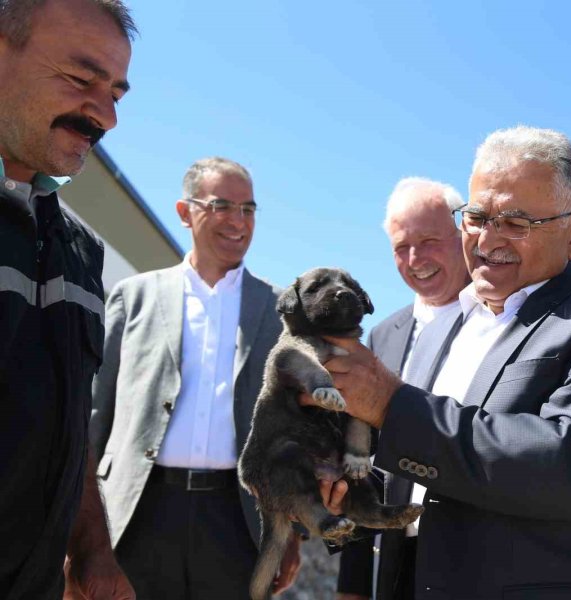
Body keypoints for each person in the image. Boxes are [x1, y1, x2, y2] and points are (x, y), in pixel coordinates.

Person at [318, 126, 571, 599]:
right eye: (478, 216)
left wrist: (392, 405)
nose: (488, 239)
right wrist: (343, 483)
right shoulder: (442, 329)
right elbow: (413, 467)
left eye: (515, 222)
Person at [89, 157, 302, 599]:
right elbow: (97, 413)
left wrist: (291, 533)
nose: (238, 221)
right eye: (222, 206)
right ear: (185, 212)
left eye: (248, 209)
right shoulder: (135, 297)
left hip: (237, 519)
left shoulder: (281, 311)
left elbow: (294, 433)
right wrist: (79, 525)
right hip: (137, 512)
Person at [0, 0, 136, 598]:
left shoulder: (79, 249)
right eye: (82, 80)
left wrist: (91, 546)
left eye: (116, 93)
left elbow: (67, 415)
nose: (104, 115)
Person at [336, 177, 470, 600]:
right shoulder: (380, 338)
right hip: (396, 563)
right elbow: (363, 464)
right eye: (401, 247)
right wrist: (352, 584)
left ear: (464, 234)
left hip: (477, 562)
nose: (416, 259)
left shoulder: (501, 322)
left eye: (429, 240)